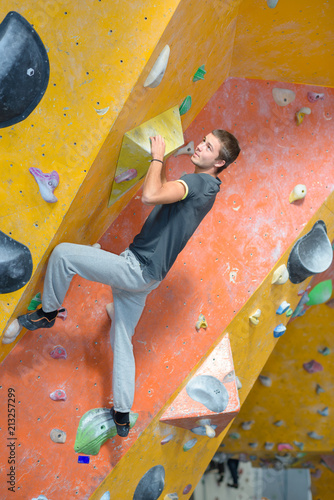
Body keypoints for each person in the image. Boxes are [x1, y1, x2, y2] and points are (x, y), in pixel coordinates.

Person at [2, 130, 240, 437]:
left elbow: (151, 195)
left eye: (209, 147)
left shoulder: (198, 183)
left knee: (63, 255)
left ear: (219, 161)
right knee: (121, 339)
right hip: (148, 278)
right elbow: (165, 191)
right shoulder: (210, 188)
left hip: (135, 268)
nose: (201, 147)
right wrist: (162, 165)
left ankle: (47, 314)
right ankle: (122, 414)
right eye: (204, 140)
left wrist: (157, 156)